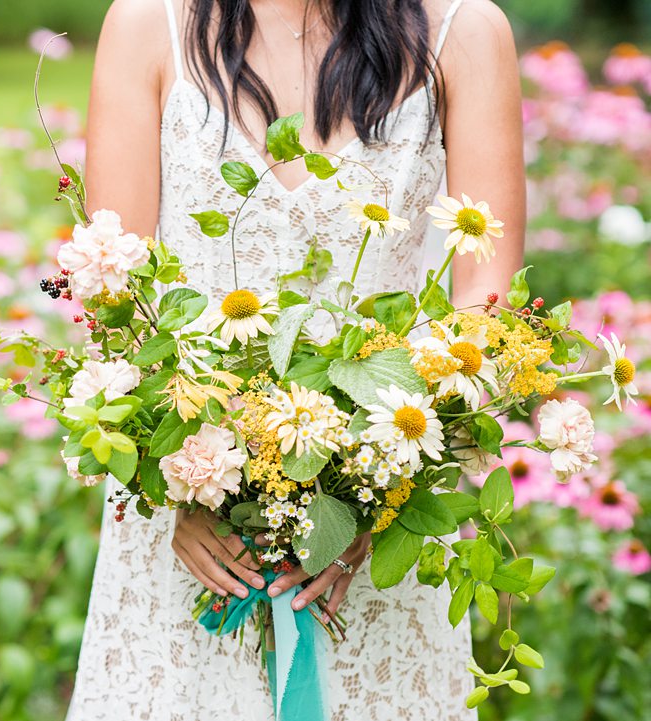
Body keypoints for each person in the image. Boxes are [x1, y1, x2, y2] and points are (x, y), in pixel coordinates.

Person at [68, 0, 525, 719]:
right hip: (190, 537)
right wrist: (181, 485)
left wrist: (370, 497)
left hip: (381, 539)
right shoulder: (145, 25)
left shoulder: (466, 34)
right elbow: (115, 293)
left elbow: (485, 304)